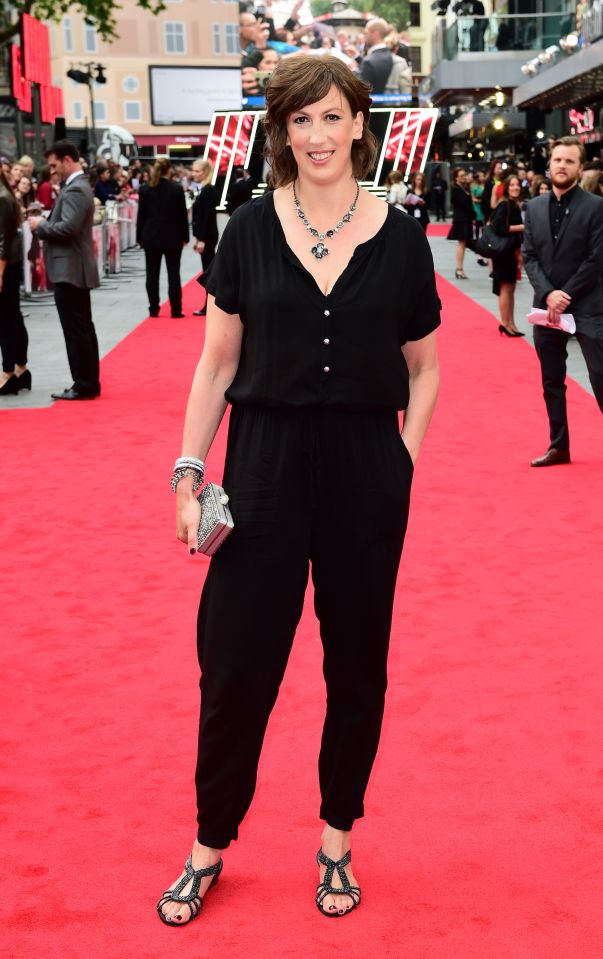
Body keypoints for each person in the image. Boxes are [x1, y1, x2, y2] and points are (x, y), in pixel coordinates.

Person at [158, 53, 440, 926]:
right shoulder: (245, 227)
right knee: (236, 661)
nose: (316, 135)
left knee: (356, 663)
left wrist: (404, 460)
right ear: (281, 132)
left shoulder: (399, 236)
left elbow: (424, 367)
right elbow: (217, 363)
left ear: (360, 122)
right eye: (299, 120)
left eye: (330, 117)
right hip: (265, 464)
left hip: (364, 466)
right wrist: (188, 469)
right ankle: (210, 842)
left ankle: (335, 839)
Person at [523, 136, 603, 467]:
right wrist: (549, 294)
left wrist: (564, 294)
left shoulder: (597, 207)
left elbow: (596, 259)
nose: (562, 165)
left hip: (588, 306)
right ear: (549, 163)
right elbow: (529, 256)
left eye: (569, 161)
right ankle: (559, 445)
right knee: (551, 380)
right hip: (546, 307)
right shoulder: (534, 207)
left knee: (600, 376)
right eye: (557, 160)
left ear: (580, 168)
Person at [28, 140, 101, 401]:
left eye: (54, 164)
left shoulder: (75, 190)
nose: (53, 170)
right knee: (82, 327)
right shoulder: (77, 188)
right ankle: (88, 381)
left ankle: (83, 383)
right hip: (72, 268)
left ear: (68, 160)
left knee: (76, 329)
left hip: (70, 270)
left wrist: (40, 225)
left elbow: (68, 228)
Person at [136, 157, 189, 318]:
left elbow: (141, 216)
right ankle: (176, 309)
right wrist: (185, 236)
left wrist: (139, 236)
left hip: (151, 236)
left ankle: (153, 308)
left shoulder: (145, 189)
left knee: (152, 274)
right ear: (169, 170)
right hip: (173, 236)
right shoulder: (176, 189)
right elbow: (182, 215)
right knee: (174, 274)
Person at [0, 170, 31, 396]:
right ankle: (20, 369)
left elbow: (3, 238)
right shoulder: (6, 195)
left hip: (5, 265)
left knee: (6, 319)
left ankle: (8, 372)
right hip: (9, 265)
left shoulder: (2, 197)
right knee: (13, 317)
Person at [490, 174, 525, 337]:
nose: (515, 187)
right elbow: (499, 228)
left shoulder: (514, 205)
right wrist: (522, 227)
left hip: (512, 252)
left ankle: (511, 323)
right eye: (512, 185)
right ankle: (505, 323)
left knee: (511, 288)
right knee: (505, 288)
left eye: (517, 185)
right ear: (506, 188)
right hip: (503, 252)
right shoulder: (504, 204)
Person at [190, 159, 219, 317]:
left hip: (207, 237)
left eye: (197, 171)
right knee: (209, 271)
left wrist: (201, 239)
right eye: (193, 171)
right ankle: (209, 305)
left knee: (209, 272)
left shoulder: (208, 190)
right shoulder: (203, 189)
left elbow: (207, 217)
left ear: (206, 172)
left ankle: (211, 305)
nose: (194, 174)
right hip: (205, 236)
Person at [448, 167, 475, 278]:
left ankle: (460, 268)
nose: (464, 177)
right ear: (456, 178)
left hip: (465, 218)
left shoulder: (463, 188)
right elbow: (463, 204)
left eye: (464, 175)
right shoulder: (456, 189)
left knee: (463, 244)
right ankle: (459, 269)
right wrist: (472, 212)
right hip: (461, 219)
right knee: (461, 244)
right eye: (461, 175)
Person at [359, 19, 394, 94]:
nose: (364, 36)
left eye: (366, 32)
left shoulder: (369, 62)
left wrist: (353, 69)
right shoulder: (389, 55)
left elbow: (360, 92)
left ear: (374, 34)